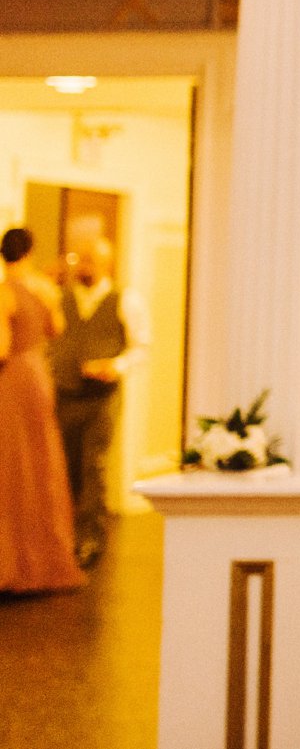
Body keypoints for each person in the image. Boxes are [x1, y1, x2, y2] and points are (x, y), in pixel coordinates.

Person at [50, 234, 145, 569]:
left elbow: (141, 347)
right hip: (64, 394)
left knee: (95, 465)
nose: (83, 265)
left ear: (106, 263)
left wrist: (115, 367)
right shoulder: (61, 296)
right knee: (63, 466)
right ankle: (61, 536)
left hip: (101, 397)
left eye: (90, 259)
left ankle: (91, 536)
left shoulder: (125, 299)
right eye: (80, 258)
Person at [0, 227, 85, 594]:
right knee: (42, 460)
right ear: (30, 251)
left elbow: (1, 348)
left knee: (12, 464)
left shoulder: (3, 292)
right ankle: (48, 560)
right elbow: (56, 329)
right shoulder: (44, 289)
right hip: (38, 374)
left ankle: (13, 563)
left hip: (13, 377)